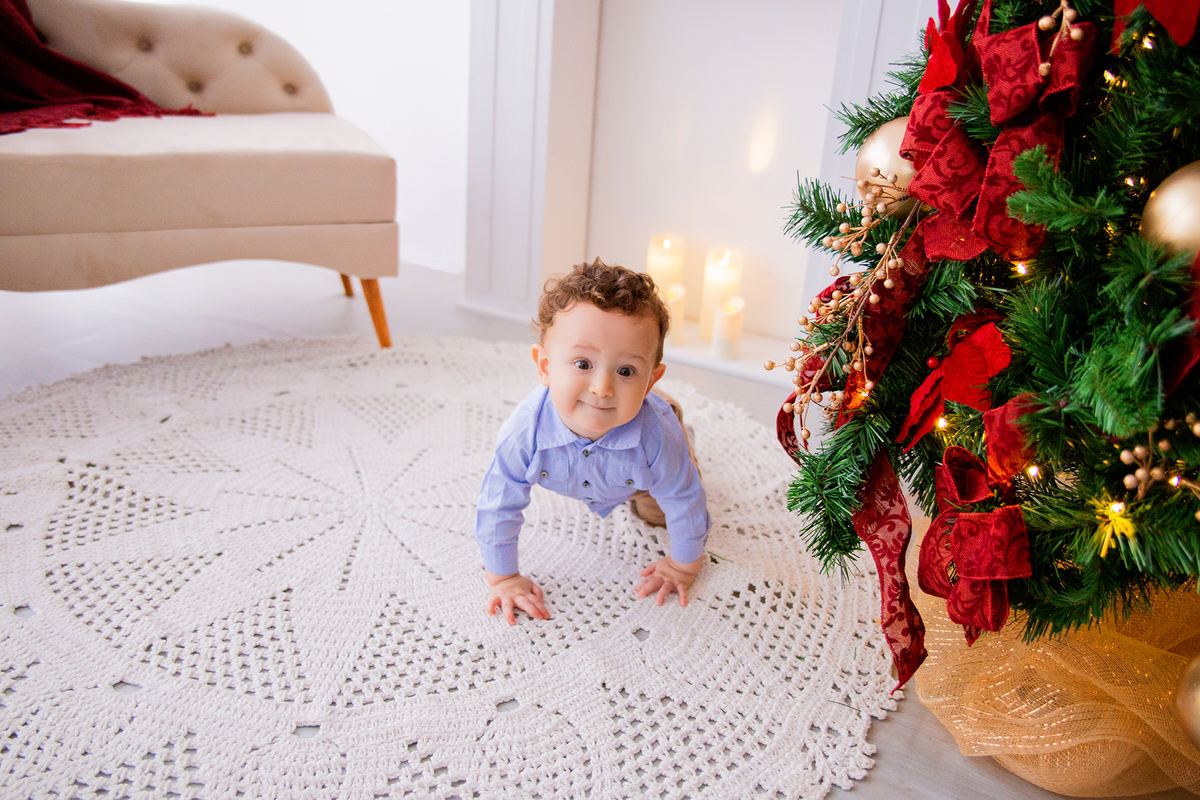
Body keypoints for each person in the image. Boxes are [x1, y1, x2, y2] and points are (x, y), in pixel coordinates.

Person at [475, 259, 710, 625]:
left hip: (638, 472)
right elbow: (497, 503)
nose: (602, 387)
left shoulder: (658, 437)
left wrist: (683, 566)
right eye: (582, 364)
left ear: (650, 380)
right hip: (591, 454)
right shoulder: (525, 431)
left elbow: (685, 501)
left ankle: (677, 421)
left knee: (659, 515)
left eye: (626, 371)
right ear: (545, 366)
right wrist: (503, 577)